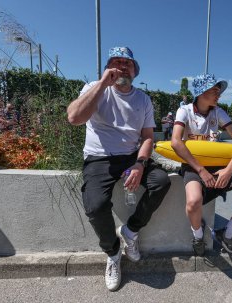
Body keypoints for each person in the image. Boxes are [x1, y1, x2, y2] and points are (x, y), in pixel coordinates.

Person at [67, 46, 171, 292]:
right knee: (95, 205)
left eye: (128, 63)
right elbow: (74, 118)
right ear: (107, 67)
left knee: (161, 182)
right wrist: (103, 84)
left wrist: (139, 163)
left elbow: (147, 137)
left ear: (135, 70)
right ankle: (112, 253)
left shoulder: (143, 99)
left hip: (132, 157)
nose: (122, 66)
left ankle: (131, 231)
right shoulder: (94, 88)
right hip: (99, 158)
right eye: (116, 61)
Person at [171, 73, 232, 256]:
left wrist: (229, 170)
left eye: (218, 90)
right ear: (200, 92)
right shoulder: (184, 111)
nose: (219, 94)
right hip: (193, 165)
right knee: (193, 202)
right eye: (214, 90)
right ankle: (198, 235)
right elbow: (176, 142)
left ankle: (227, 233)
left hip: (218, 165)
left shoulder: (218, 112)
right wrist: (200, 170)